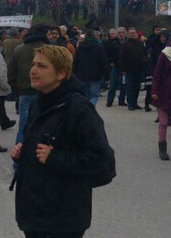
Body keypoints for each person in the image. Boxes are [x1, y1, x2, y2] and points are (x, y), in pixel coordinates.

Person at [10, 45, 111, 238]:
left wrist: (55, 157)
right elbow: (41, 151)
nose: (32, 70)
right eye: (32, 65)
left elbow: (100, 158)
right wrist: (23, 155)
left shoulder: (78, 108)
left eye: (41, 66)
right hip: (35, 212)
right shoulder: (38, 103)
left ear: (61, 73)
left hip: (63, 218)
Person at [9, 25, 49, 147]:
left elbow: (11, 72)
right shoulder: (49, 49)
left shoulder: (19, 49)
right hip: (45, 91)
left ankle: (18, 159)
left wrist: (16, 88)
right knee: (46, 126)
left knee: (24, 126)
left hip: (24, 91)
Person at [73, 29, 109, 105]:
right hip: (95, 75)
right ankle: (90, 107)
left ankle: (86, 108)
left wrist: (74, 73)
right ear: (94, 36)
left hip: (81, 75)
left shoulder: (80, 47)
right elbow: (104, 62)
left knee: (84, 95)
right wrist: (107, 76)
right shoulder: (99, 47)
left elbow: (75, 61)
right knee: (94, 96)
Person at [119, 27, 146, 111]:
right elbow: (121, 57)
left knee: (137, 87)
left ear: (136, 34)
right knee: (129, 87)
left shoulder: (140, 43)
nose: (132, 34)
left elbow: (144, 54)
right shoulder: (125, 44)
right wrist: (123, 69)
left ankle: (135, 103)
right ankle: (130, 104)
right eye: (131, 33)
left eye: (134, 33)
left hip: (138, 69)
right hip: (128, 69)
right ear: (128, 34)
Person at [105, 27, 127, 107]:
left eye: (122, 32)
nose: (121, 34)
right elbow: (109, 53)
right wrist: (111, 62)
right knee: (113, 85)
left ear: (125, 33)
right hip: (116, 67)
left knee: (123, 85)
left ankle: (121, 100)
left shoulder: (127, 43)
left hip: (124, 68)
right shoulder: (114, 43)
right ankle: (109, 101)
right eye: (119, 32)